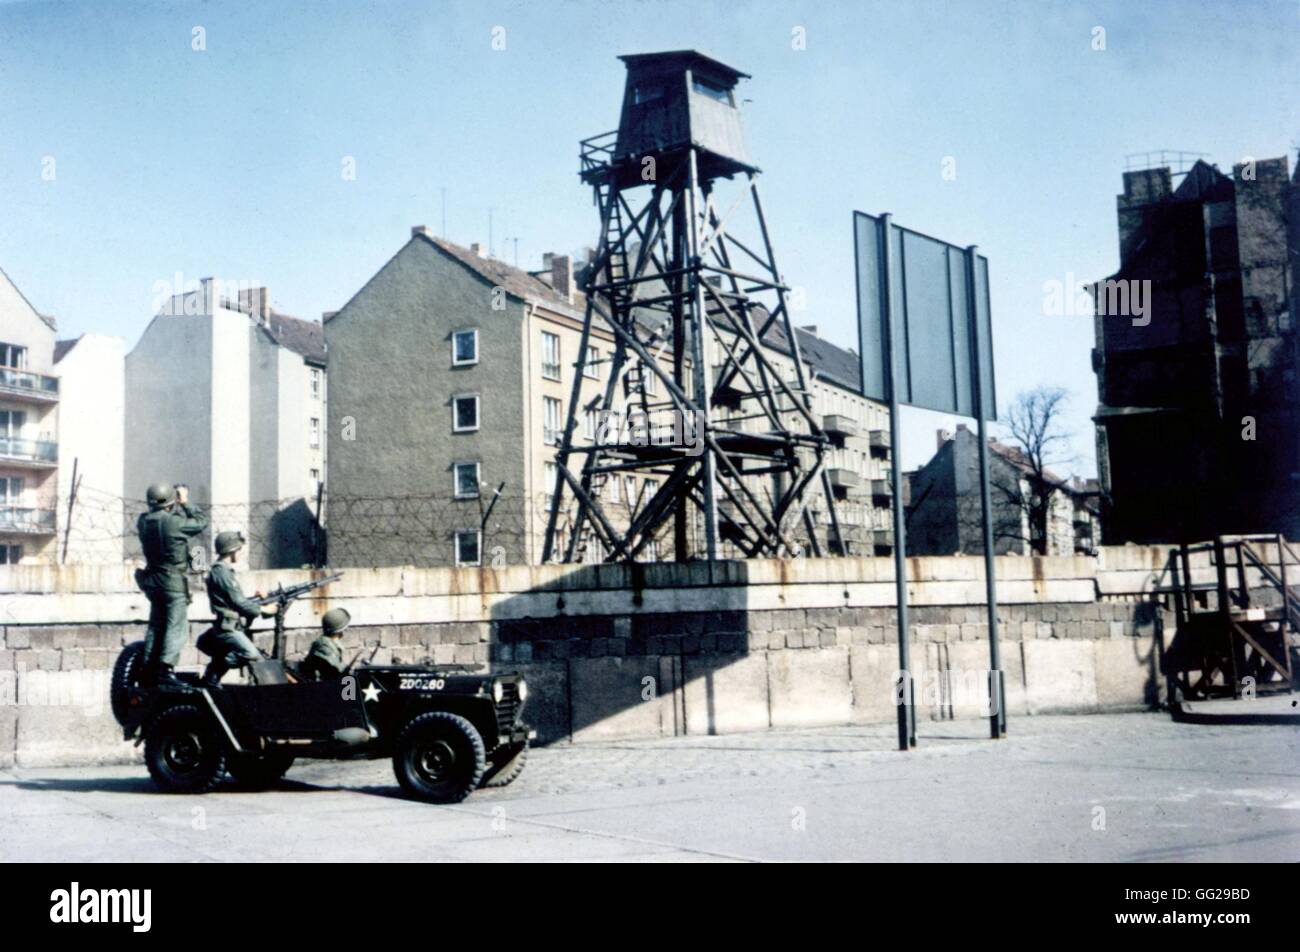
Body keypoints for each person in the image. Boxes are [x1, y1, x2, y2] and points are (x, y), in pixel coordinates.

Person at [136, 482, 208, 687]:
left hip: (152, 578)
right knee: (176, 626)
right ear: (171, 501)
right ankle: (165, 670)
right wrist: (184, 501)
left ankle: (148, 668)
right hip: (171, 580)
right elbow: (201, 522)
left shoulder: (142, 521)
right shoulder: (173, 522)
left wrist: (172, 502)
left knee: (156, 625)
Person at [197, 530, 278, 688]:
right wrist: (264, 610)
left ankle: (212, 677)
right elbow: (238, 602)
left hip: (230, 624)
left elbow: (232, 600)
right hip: (227, 627)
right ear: (231, 550)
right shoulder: (222, 572)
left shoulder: (223, 571)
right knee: (252, 654)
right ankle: (213, 672)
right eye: (239, 550)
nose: (240, 553)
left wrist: (256, 600)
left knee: (244, 654)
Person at [300, 608, 351, 680]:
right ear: (338, 630)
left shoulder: (329, 642)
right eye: (344, 628)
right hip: (321, 687)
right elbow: (337, 669)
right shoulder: (324, 646)